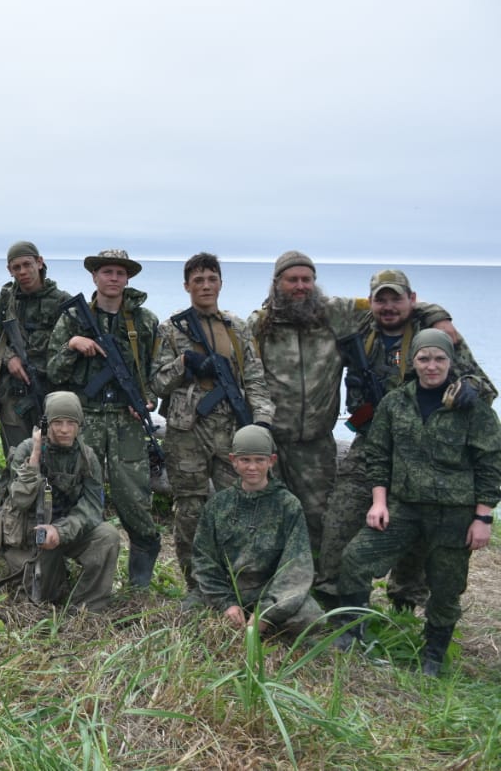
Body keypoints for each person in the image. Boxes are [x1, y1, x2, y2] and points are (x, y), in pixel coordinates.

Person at [317, 269, 491, 609]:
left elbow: (481, 385)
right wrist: (366, 420)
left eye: (396, 298)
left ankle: (405, 602)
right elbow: (310, 306)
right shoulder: (361, 330)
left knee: (420, 527)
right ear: (371, 303)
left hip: (423, 448)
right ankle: (337, 601)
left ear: (412, 300)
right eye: (380, 299)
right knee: (341, 515)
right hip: (371, 441)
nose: (388, 306)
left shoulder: (432, 336)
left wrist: (468, 389)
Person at [335, 330, 500, 676]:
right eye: (424, 358)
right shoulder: (397, 402)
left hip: (454, 515)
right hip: (404, 508)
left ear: (451, 363)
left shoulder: (472, 407)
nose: (431, 366)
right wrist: (379, 502)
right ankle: (353, 635)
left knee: (445, 588)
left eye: (439, 359)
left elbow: (491, 464)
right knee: (355, 559)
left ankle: (434, 657)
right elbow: (378, 454)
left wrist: (483, 518)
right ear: (414, 363)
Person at [150, 252, 274, 591]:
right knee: (190, 511)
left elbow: (255, 378)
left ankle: (240, 583)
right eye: (198, 280)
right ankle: (196, 586)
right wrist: (184, 364)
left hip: (230, 429)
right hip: (186, 430)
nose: (206, 285)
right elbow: (157, 383)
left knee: (239, 506)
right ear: (187, 285)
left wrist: (260, 423)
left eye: (211, 279)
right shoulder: (171, 327)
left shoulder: (237, 327)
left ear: (220, 282)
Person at [48, 249, 161, 589]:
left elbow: (155, 372)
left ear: (128, 279)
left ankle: (139, 583)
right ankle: (68, 572)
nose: (114, 278)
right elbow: (53, 370)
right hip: (87, 420)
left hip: (126, 422)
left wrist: (147, 398)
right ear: (94, 276)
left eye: (120, 273)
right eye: (107, 272)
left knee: (135, 502)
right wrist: (73, 344)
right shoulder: (72, 319)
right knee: (74, 495)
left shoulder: (144, 321)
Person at [191, 425, 323, 638]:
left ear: (271, 461)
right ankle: (236, 622)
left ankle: (263, 628)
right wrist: (226, 604)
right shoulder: (218, 505)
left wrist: (267, 612)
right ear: (233, 460)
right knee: (188, 614)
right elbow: (204, 560)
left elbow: (296, 568)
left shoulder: (288, 506)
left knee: (311, 618)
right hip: (228, 589)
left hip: (269, 592)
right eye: (245, 460)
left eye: (259, 460)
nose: (252, 467)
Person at [8, 392, 120, 611]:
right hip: (33, 532)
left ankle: (86, 607)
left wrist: (60, 531)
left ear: (80, 425)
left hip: (67, 530)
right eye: (58, 423)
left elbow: (92, 507)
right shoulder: (26, 450)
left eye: (71, 423)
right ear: (47, 423)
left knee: (108, 535)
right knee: (41, 597)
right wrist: (34, 459)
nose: (65, 430)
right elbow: (19, 501)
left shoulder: (87, 457)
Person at [0, 241, 71, 459]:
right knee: (17, 459)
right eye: (16, 267)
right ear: (10, 270)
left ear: (40, 262)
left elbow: (71, 345)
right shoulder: (4, 303)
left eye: (27, 264)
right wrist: (9, 358)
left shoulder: (62, 301)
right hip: (14, 395)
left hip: (51, 392)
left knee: (55, 458)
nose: (23, 272)